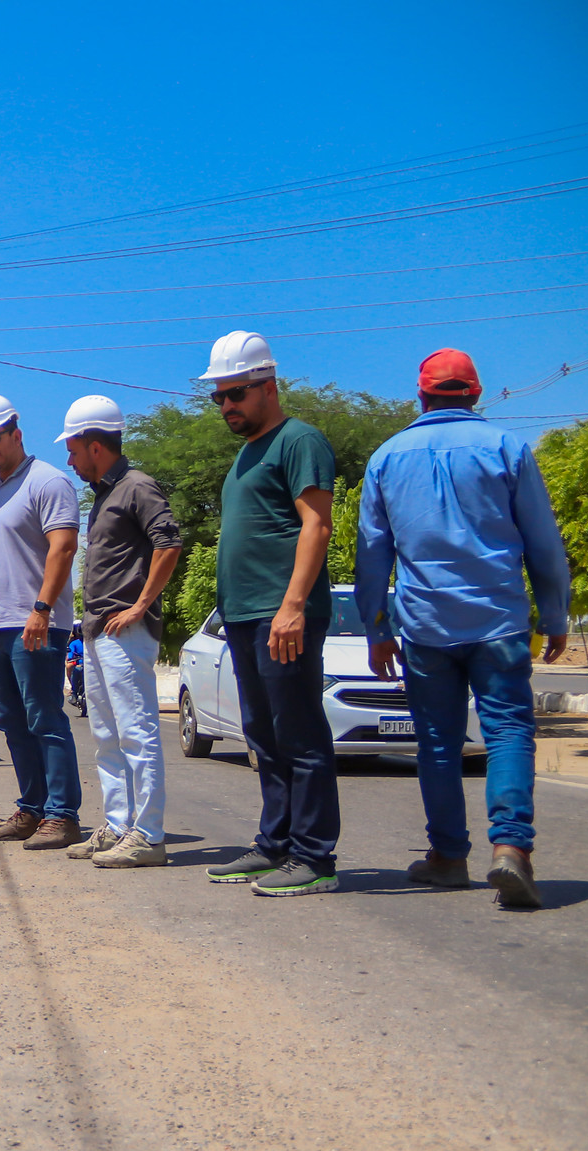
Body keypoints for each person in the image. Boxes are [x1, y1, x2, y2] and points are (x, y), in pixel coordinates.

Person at [356, 348, 572, 909]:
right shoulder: (507, 448)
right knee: (506, 733)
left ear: (421, 397)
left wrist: (376, 627)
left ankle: (449, 857)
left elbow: (373, 555)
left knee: (436, 742)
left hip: (425, 626)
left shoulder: (385, 457)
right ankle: (511, 849)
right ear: (475, 394)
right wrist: (553, 614)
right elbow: (543, 543)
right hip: (498, 621)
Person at [200, 331, 343, 897]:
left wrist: (292, 607)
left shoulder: (299, 440)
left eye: (236, 393)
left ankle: (315, 858)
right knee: (262, 733)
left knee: (301, 734)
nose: (227, 406)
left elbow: (318, 525)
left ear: (269, 386)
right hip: (242, 615)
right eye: (219, 397)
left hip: (281, 616)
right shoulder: (246, 452)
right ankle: (274, 845)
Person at [61, 396, 183, 869]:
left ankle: (149, 836)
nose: (69, 461)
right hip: (96, 631)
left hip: (124, 630)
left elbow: (168, 542)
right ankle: (116, 826)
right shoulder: (106, 494)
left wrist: (141, 605)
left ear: (95, 445)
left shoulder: (137, 487)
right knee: (107, 734)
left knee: (137, 733)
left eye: (73, 450)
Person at [0, 395, 86, 849]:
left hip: (35, 623)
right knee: (12, 721)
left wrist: (42, 609)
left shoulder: (48, 481)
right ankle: (32, 808)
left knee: (45, 717)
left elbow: (64, 547)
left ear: (16, 432)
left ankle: (62, 814)